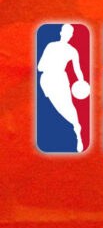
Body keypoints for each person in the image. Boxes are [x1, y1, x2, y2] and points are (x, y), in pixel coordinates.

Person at [37, 23, 86, 152]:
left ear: (70, 35)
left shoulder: (71, 51)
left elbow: (77, 70)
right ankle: (75, 127)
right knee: (60, 107)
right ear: (62, 33)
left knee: (67, 106)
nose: (67, 35)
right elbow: (40, 67)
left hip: (60, 80)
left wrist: (81, 81)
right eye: (67, 32)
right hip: (48, 80)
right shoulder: (52, 46)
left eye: (69, 33)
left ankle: (77, 130)